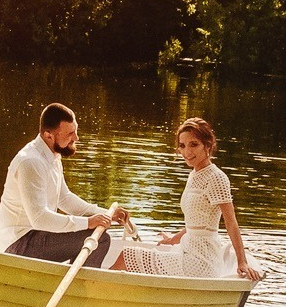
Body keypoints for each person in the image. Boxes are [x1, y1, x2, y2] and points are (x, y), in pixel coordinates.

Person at [109, 117, 263, 280]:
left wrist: (242, 262)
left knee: (125, 256)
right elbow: (196, 225)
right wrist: (172, 240)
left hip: (201, 261)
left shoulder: (216, 178)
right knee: (126, 256)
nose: (187, 152)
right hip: (187, 250)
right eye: (182, 146)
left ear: (208, 145)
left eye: (194, 144)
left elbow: (231, 222)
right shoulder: (194, 174)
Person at [0, 102, 124, 266]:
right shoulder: (30, 161)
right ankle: (80, 288)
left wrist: (106, 215)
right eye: (70, 133)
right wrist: (88, 222)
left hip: (35, 237)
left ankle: (73, 282)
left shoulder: (52, 155)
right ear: (48, 135)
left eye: (75, 130)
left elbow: (64, 198)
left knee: (96, 235)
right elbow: (39, 219)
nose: (76, 138)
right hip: (18, 245)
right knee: (99, 239)